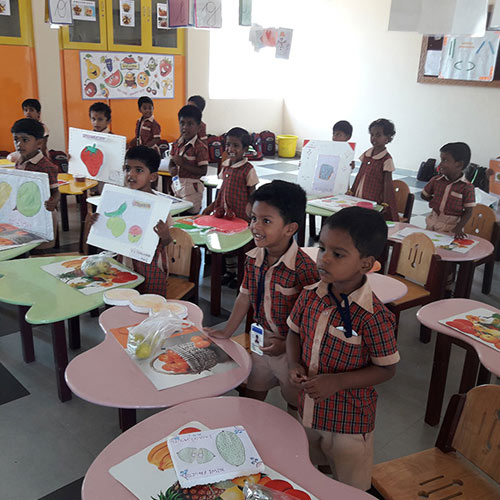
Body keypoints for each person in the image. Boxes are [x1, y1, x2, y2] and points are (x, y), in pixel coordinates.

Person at [287, 207, 399, 491]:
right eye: (322, 248)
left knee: (351, 486)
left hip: (348, 421)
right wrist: (293, 364)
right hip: (309, 410)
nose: (323, 258)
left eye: (338, 254)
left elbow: (387, 369)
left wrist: (337, 382)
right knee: (314, 471)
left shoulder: (373, 316)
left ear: (365, 264)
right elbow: (294, 332)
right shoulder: (310, 295)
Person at [207, 181, 319, 408]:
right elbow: (244, 297)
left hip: (292, 351)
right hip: (261, 341)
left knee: (294, 401)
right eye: (254, 218)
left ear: (290, 229)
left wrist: (287, 346)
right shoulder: (253, 258)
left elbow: (312, 321)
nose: (255, 226)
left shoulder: (304, 269)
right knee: (253, 392)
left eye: (266, 221)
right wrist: (227, 331)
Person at [89, 146, 172, 295]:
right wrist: (98, 222)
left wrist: (165, 235)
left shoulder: (159, 206)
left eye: (138, 170)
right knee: (121, 298)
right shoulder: (119, 199)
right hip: (123, 262)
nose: (130, 174)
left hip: (151, 265)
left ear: (152, 177)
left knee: (149, 302)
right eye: (127, 169)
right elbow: (111, 230)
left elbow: (167, 242)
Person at [203, 127, 259, 287]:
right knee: (226, 242)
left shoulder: (248, 170)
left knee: (238, 245)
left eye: (236, 145)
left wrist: (252, 214)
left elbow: (253, 194)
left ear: (245, 149)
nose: (230, 149)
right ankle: (230, 272)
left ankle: (239, 275)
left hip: (241, 214)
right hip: (225, 213)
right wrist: (212, 206)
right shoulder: (226, 165)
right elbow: (222, 189)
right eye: (228, 145)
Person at [11, 118, 60, 248]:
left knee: (38, 248)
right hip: (23, 213)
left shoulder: (46, 166)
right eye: (16, 139)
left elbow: (56, 192)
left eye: (25, 140)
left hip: (42, 214)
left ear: (39, 143)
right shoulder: (19, 161)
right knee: (21, 245)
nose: (19, 144)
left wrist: (53, 202)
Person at [421, 142, 475, 239]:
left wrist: (459, 228)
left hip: (451, 228)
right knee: (428, 245)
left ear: (459, 164)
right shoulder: (436, 180)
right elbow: (424, 195)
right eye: (441, 160)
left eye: (445, 160)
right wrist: (434, 200)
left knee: (445, 247)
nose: (440, 164)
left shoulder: (467, 187)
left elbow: (468, 211)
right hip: (432, 222)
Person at [349, 118, 398, 221]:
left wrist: (385, 202)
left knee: (369, 220)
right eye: (372, 135)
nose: (374, 138)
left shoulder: (386, 159)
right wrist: (352, 190)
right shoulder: (366, 155)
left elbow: (387, 183)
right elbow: (360, 174)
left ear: (388, 138)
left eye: (378, 135)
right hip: (360, 195)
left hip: (374, 198)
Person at [169, 105, 209, 214]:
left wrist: (183, 165)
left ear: (199, 127)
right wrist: (171, 169)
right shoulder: (177, 144)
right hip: (177, 184)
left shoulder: (200, 147)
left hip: (192, 188)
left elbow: (203, 171)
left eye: (190, 124)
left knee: (189, 215)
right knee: (176, 213)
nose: (185, 127)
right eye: (182, 123)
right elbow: (172, 162)